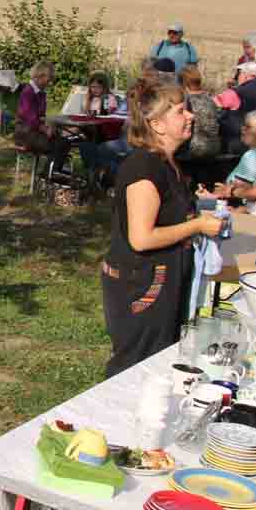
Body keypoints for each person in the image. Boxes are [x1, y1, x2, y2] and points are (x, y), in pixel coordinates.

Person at [101, 79, 224, 379]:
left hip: (162, 278)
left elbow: (168, 214)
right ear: (157, 124)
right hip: (142, 283)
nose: (191, 116)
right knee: (135, 367)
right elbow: (141, 238)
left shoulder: (169, 163)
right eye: (181, 111)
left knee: (158, 365)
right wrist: (196, 225)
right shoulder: (143, 167)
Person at [14, 63, 68, 169]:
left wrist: (49, 126)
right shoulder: (28, 92)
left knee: (64, 140)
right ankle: (49, 174)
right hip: (25, 134)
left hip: (33, 132)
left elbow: (40, 116)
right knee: (60, 144)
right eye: (49, 79)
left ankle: (52, 172)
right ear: (40, 76)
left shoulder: (40, 92)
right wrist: (44, 129)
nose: (50, 82)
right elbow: (30, 118)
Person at [218, 61, 256, 152]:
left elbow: (214, 107)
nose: (237, 77)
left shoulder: (236, 92)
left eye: (239, 74)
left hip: (236, 142)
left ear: (246, 75)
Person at [179, 65, 221, 161]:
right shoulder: (210, 99)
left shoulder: (187, 101)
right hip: (215, 146)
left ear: (183, 83)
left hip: (195, 149)